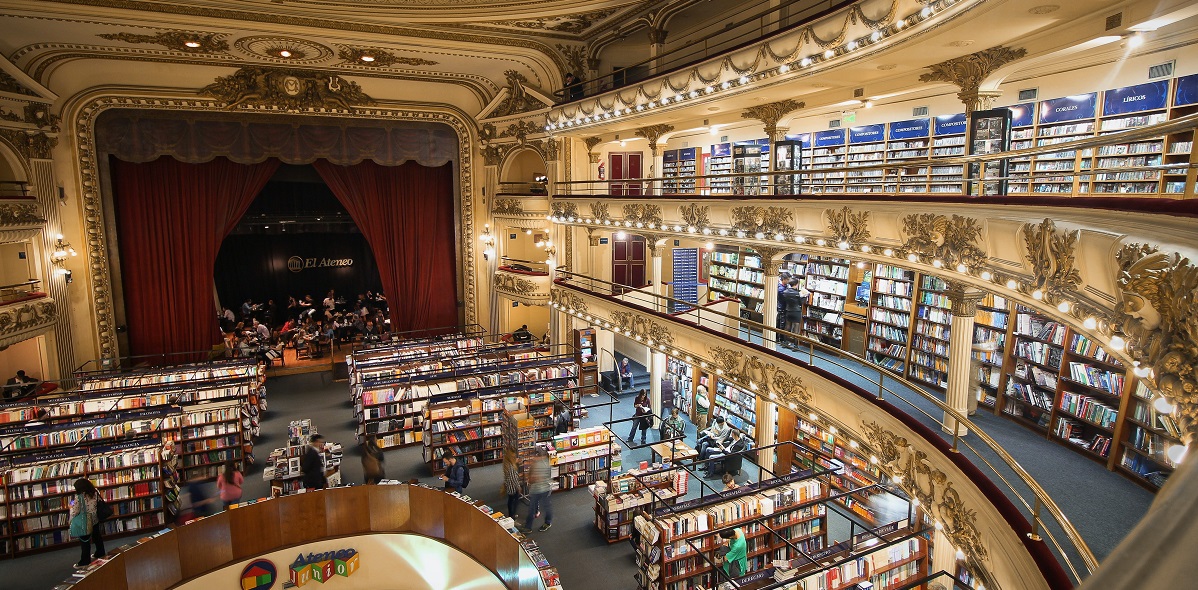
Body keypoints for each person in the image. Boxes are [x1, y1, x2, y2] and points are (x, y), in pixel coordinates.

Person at [68, 479, 104, 567]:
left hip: (84, 522)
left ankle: (85, 560)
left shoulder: (79, 497)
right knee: (97, 537)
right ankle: (100, 553)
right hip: (94, 519)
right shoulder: (95, 493)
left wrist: (70, 508)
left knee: (85, 542)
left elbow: (75, 512)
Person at [519, 446, 553, 532]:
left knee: (532, 508)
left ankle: (528, 527)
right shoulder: (547, 462)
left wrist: (529, 480)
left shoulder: (536, 464)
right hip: (546, 488)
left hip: (537, 490)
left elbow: (533, 478)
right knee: (546, 507)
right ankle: (547, 523)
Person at [501, 448, 521, 520]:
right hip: (513, 487)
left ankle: (511, 514)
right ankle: (512, 516)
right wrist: (518, 487)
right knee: (515, 501)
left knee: (510, 500)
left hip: (508, 485)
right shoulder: (511, 468)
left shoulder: (506, 463)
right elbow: (514, 479)